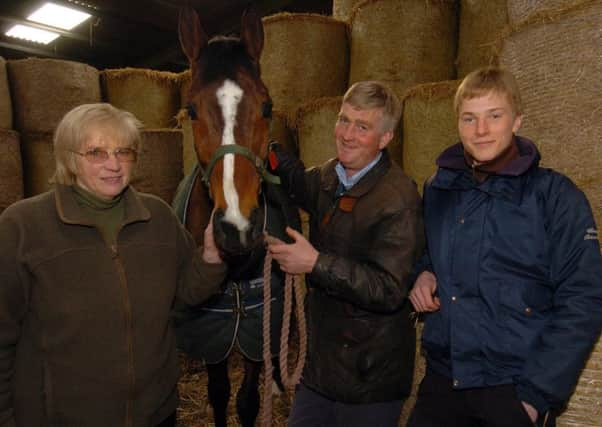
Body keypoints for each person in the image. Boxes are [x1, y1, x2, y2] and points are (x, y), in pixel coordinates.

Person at [0, 103, 226, 427]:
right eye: (96, 152)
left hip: (155, 413)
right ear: (69, 158)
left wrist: (212, 256)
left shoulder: (157, 216)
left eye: (124, 151)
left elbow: (184, 294)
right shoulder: (23, 226)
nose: (114, 164)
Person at [408, 66, 602, 427]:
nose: (481, 131)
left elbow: (584, 297)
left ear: (516, 121)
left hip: (513, 386)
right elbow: (427, 251)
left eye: (494, 116)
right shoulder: (439, 189)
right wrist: (423, 273)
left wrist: (535, 396)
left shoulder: (555, 196)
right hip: (443, 380)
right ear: (458, 123)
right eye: (470, 119)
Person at [266, 81, 424, 427]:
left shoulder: (399, 198)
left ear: (385, 139)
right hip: (321, 369)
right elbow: (297, 182)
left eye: (362, 126)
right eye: (344, 120)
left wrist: (314, 263)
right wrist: (268, 150)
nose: (347, 134)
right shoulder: (329, 177)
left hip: (369, 380)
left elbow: (389, 289)